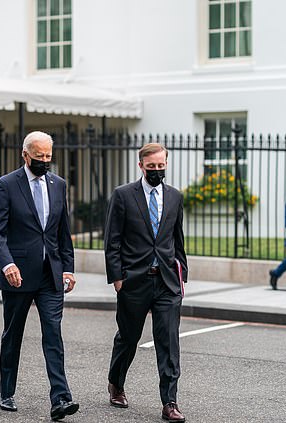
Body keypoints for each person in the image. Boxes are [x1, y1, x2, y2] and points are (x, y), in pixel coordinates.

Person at [0, 131, 79, 421]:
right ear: (25, 155)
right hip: (18, 276)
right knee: (13, 334)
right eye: (38, 156)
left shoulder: (58, 184)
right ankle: (6, 391)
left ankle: (61, 399)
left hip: (50, 274)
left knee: (53, 335)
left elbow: (62, 231)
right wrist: (7, 264)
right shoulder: (7, 185)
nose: (44, 161)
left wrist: (68, 267)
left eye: (48, 157)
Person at [104, 143, 188, 423]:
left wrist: (181, 274)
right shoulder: (124, 195)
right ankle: (116, 382)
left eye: (160, 167)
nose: (156, 171)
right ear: (141, 166)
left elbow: (178, 240)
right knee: (128, 338)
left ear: (166, 164)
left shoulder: (175, 197)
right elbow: (112, 239)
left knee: (168, 342)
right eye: (151, 167)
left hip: (166, 282)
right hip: (133, 281)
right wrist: (116, 277)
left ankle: (170, 402)